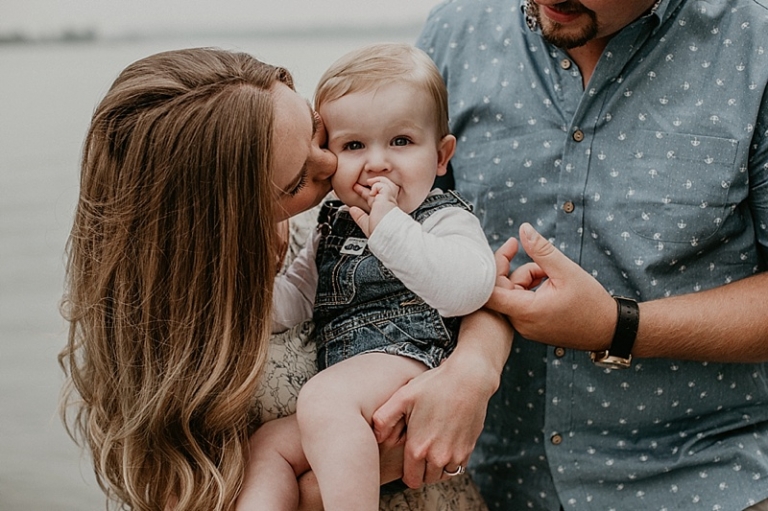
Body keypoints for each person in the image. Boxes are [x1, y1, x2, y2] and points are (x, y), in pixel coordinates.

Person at [377, 0, 768, 509]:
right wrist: (475, 357)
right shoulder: (456, 31)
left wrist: (618, 326)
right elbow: (412, 237)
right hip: (484, 483)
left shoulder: (754, 47)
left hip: (707, 478)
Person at [57, 47, 338, 511]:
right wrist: (372, 461)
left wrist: (467, 369)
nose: (331, 165)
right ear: (218, 226)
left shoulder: (335, 225)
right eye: (295, 184)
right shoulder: (171, 347)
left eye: (314, 127)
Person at [235, 42, 497, 511]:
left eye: (401, 141)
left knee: (323, 400)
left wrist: (390, 227)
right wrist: (237, 302)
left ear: (441, 156)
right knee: (268, 447)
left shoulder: (443, 218)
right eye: (354, 145)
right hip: (352, 396)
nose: (377, 163)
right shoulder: (331, 225)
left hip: (412, 363)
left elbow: (469, 289)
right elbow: (297, 295)